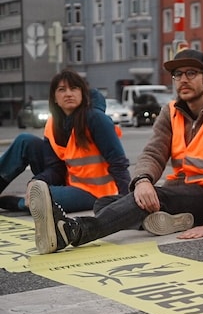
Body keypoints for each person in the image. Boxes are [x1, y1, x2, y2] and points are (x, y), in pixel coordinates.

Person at [29, 49, 203, 254]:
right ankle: (168, 219)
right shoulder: (171, 112)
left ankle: (74, 231)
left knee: (147, 199)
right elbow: (153, 153)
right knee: (104, 203)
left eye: (191, 73)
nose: (183, 79)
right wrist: (143, 181)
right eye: (178, 74)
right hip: (178, 193)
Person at [0, 70, 130, 213]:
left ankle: (20, 203)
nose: (68, 94)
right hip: (69, 182)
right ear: (55, 98)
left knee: (41, 197)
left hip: (97, 192)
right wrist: (37, 181)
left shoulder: (95, 118)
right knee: (24, 141)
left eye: (74, 88)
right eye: (62, 90)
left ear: (82, 94)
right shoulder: (52, 124)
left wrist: (128, 202)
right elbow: (56, 169)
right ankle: (32, 198)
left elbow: (118, 163)